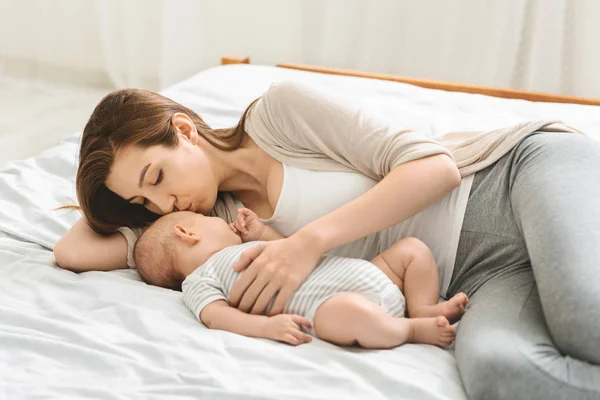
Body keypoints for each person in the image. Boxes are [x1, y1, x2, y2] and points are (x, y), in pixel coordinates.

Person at [54, 80, 600, 400]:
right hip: (478, 275)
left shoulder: (280, 114)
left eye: (155, 178)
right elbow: (72, 251)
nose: (163, 206)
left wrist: (306, 243)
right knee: (503, 371)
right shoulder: (211, 230)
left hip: (511, 180)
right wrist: (113, 193)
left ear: (185, 131)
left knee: (583, 320)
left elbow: (434, 169)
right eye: (144, 204)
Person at [132, 207, 468, 348]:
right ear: (186, 232)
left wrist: (262, 232)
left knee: (412, 250)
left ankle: (422, 306)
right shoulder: (199, 280)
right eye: (207, 217)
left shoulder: (253, 245)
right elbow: (217, 317)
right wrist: (265, 327)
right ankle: (410, 329)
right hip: (335, 305)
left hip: (371, 273)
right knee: (343, 313)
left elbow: (290, 251)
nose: (220, 219)